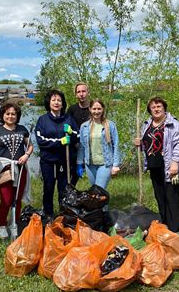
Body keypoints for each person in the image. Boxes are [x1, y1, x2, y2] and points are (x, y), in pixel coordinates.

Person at [134, 96, 179, 234]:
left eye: (159, 106)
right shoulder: (147, 124)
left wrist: (175, 162)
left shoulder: (173, 124)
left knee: (172, 198)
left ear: (164, 108)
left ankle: (174, 231)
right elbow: (147, 144)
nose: (156, 109)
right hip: (154, 167)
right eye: (153, 107)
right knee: (160, 198)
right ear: (150, 110)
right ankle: (165, 226)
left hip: (170, 167)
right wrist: (139, 144)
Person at [0, 103, 33, 240]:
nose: (10, 116)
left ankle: (14, 224)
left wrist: (26, 155)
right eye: (7, 113)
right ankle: (2, 225)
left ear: (17, 116)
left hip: (20, 168)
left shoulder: (22, 129)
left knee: (17, 199)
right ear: (2, 115)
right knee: (6, 200)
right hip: (4, 168)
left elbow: (30, 146)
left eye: (13, 114)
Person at [35, 89, 79, 218]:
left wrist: (71, 133)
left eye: (59, 100)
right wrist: (60, 142)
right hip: (48, 161)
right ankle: (48, 213)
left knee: (63, 188)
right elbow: (41, 141)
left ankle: (63, 213)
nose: (56, 102)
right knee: (48, 188)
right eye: (53, 100)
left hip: (64, 161)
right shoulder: (42, 120)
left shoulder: (68, 119)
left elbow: (78, 136)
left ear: (62, 103)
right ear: (49, 102)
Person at [76, 99, 120, 190]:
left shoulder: (110, 125)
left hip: (105, 164)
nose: (96, 111)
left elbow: (116, 145)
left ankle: (104, 205)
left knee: (99, 191)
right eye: (94, 109)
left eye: (99, 109)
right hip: (90, 165)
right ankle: (104, 205)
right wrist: (79, 163)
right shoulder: (84, 126)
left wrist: (115, 165)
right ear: (90, 109)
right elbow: (82, 146)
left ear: (103, 109)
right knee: (95, 192)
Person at [67, 82, 91, 185]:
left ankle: (95, 196)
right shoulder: (72, 110)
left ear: (88, 92)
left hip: (90, 147)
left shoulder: (94, 108)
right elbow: (68, 128)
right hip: (74, 147)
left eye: (83, 91)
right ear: (76, 94)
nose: (81, 94)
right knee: (72, 175)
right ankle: (70, 194)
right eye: (79, 92)